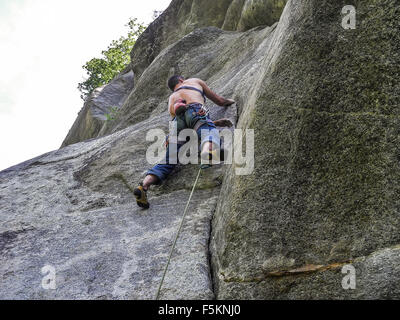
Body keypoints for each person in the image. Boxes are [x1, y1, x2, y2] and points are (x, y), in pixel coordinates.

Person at [134, 75, 235, 209]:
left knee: (169, 159)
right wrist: (231, 100)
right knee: (208, 131)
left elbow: (186, 125)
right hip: (195, 110)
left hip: (176, 122)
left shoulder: (172, 98)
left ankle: (144, 185)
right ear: (181, 80)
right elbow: (220, 101)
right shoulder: (194, 81)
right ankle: (207, 152)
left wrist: (214, 122)